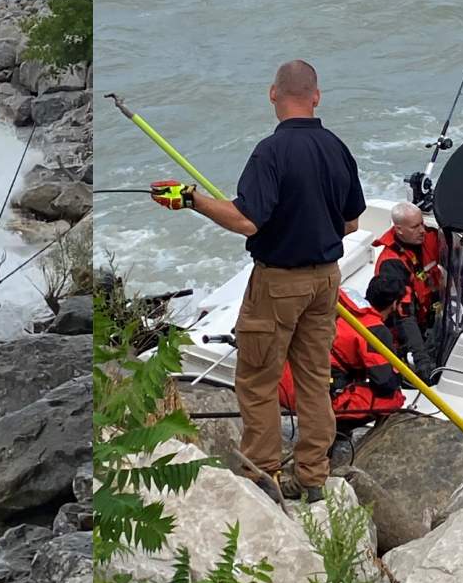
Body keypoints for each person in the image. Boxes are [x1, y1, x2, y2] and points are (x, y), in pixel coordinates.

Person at [150, 59, 365, 503]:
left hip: (279, 283)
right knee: (313, 378)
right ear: (316, 96)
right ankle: (312, 477)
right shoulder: (337, 148)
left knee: (258, 381)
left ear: (272, 94)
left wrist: (192, 200)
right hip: (326, 281)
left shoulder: (271, 152)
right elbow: (351, 224)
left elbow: (247, 221)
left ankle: (263, 478)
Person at [278, 276, 406, 423]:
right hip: (310, 398)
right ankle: (337, 429)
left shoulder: (343, 305)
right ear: (394, 304)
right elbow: (385, 383)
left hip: (283, 381)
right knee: (393, 398)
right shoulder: (374, 329)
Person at [371, 202, 444, 380]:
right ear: (399, 230)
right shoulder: (391, 265)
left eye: (422, 224)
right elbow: (404, 317)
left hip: (433, 318)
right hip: (405, 332)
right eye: (415, 226)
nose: (422, 230)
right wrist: (421, 361)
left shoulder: (429, 238)